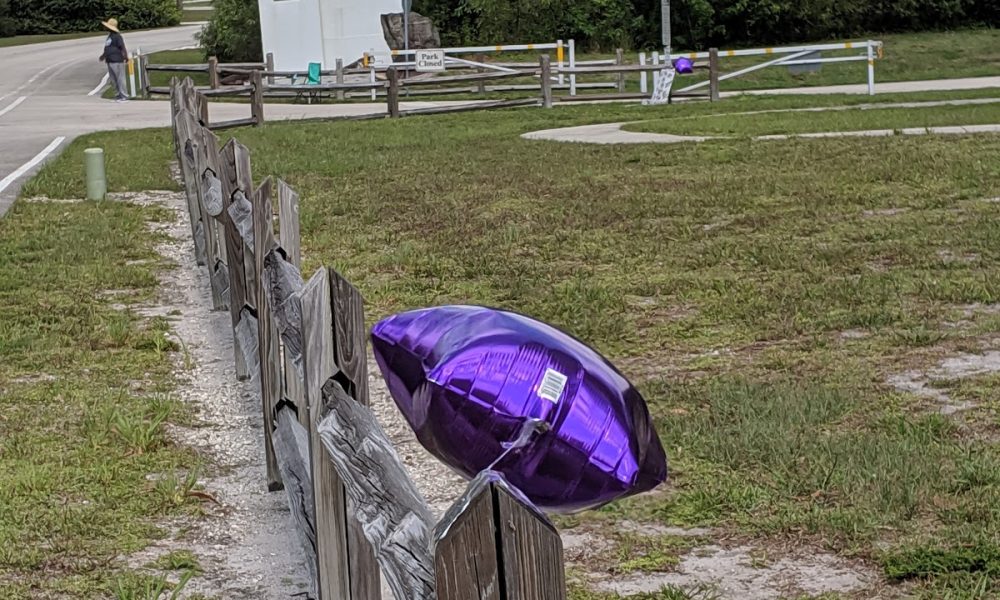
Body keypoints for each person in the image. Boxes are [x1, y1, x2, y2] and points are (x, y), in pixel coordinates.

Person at [99, 18, 129, 102]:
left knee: (120, 78)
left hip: (117, 60)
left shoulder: (117, 36)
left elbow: (122, 47)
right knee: (114, 79)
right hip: (110, 60)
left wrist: (126, 56)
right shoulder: (109, 36)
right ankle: (117, 95)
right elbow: (108, 48)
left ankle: (124, 96)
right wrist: (103, 56)